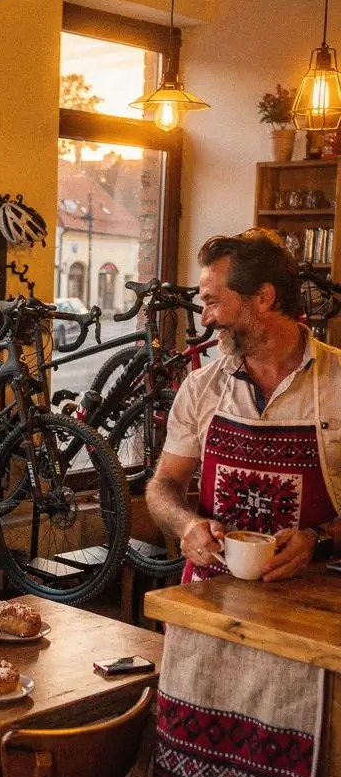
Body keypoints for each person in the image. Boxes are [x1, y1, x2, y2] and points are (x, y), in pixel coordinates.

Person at [146, 230, 341, 583]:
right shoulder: (201, 387)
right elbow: (164, 486)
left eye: (213, 301)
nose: (205, 319)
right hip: (205, 607)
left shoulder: (337, 383)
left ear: (264, 298)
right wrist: (187, 524)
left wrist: (319, 540)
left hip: (309, 610)